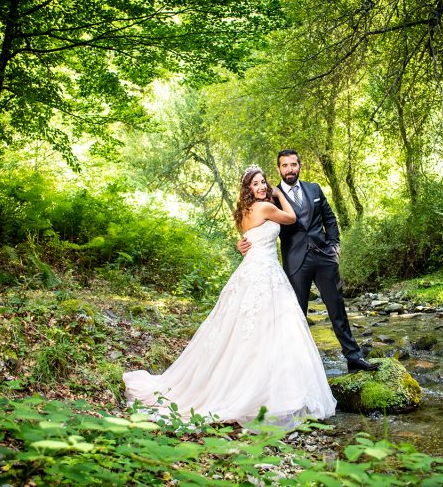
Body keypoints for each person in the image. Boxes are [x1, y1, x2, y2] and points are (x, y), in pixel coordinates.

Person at [123, 166, 336, 429]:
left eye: (263, 183)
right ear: (248, 189)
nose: (261, 187)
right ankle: (266, 392)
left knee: (246, 332)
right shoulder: (266, 207)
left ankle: (254, 384)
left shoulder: (244, 212)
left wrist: (242, 243)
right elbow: (292, 218)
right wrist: (280, 195)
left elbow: (247, 240)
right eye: (256, 184)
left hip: (252, 272)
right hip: (264, 274)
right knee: (269, 330)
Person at [238, 149, 378, 373]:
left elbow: (330, 218)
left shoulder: (314, 189)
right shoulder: (269, 196)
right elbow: (252, 221)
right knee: (296, 315)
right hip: (295, 263)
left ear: (299, 166)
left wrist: (334, 247)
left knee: (337, 309)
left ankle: (354, 357)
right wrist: (242, 242)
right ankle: (295, 367)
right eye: (284, 165)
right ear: (278, 169)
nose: (289, 169)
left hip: (324, 258)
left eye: (293, 165)